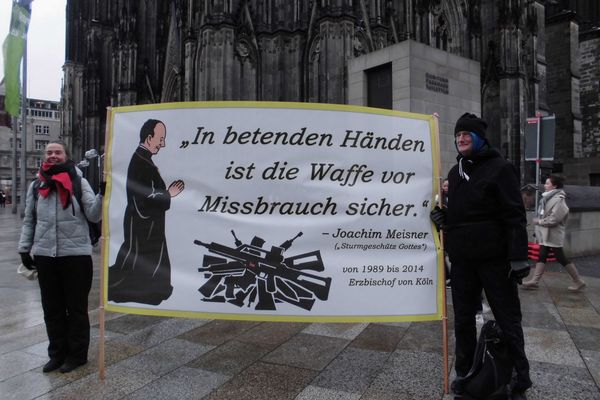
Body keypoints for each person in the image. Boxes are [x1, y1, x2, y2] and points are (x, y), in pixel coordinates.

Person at [431, 113, 532, 399]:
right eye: (458, 134)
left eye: (467, 134)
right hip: (463, 261)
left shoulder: (500, 168)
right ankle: (464, 374)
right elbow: (462, 214)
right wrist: (444, 219)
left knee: (508, 319)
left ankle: (518, 381)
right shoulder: (455, 173)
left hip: (495, 260)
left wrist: (518, 257)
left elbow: (514, 213)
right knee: (462, 319)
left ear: (479, 138)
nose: (461, 138)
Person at [17, 140, 103, 373]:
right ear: (44, 156)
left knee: (76, 309)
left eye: (58, 152)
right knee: (52, 308)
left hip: (76, 256)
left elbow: (94, 216)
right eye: (49, 152)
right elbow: (29, 220)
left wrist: (102, 194)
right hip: (46, 255)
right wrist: (24, 249)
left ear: (66, 155)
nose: (53, 155)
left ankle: (77, 355)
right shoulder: (37, 185)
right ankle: (56, 354)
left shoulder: (78, 181)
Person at [108, 119, 185, 305]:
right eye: (160, 138)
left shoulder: (143, 159)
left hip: (145, 224)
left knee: (139, 258)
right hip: (143, 224)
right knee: (139, 259)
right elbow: (143, 198)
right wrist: (169, 194)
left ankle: (151, 290)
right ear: (149, 138)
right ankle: (141, 291)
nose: (163, 143)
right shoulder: (141, 163)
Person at [522, 175, 585, 291]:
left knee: (561, 258)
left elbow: (554, 219)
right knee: (541, 256)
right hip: (546, 234)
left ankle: (578, 281)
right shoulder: (547, 198)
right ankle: (534, 281)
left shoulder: (559, 199)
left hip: (553, 235)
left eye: (547, 183)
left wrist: (539, 221)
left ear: (554, 186)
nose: (545, 185)